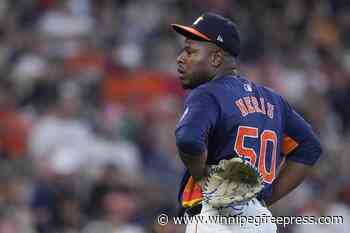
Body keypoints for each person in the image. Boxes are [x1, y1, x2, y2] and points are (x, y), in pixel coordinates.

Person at [172, 12, 322, 233]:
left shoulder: (208, 93)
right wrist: (265, 198)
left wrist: (201, 176)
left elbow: (188, 140)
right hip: (260, 222)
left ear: (215, 58)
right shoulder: (273, 100)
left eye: (190, 51)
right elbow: (310, 147)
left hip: (216, 218)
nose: (181, 58)